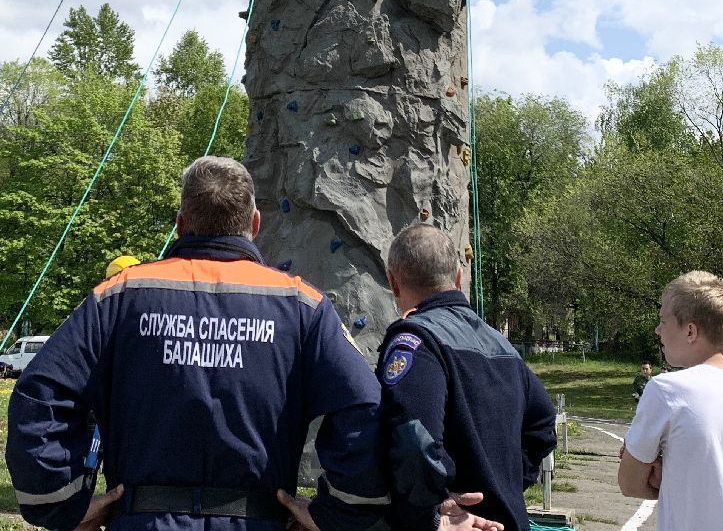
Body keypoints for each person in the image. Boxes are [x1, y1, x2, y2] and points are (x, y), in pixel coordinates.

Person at [5, 156, 389, 531]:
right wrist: (338, 511)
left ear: (180, 225)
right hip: (257, 518)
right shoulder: (302, 304)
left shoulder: (120, 296)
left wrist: (61, 504)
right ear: (254, 224)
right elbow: (365, 406)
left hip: (144, 518)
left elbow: (40, 393)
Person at [377, 224, 557, 531]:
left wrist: (430, 512)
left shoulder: (416, 342)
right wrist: (505, 483)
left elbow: (412, 439)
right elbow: (542, 424)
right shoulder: (503, 347)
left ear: (393, 282)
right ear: (458, 277)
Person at [618, 271, 723, 531]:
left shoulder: (666, 390)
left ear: (690, 331)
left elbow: (629, 483)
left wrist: (664, 472)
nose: (658, 330)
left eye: (663, 320)